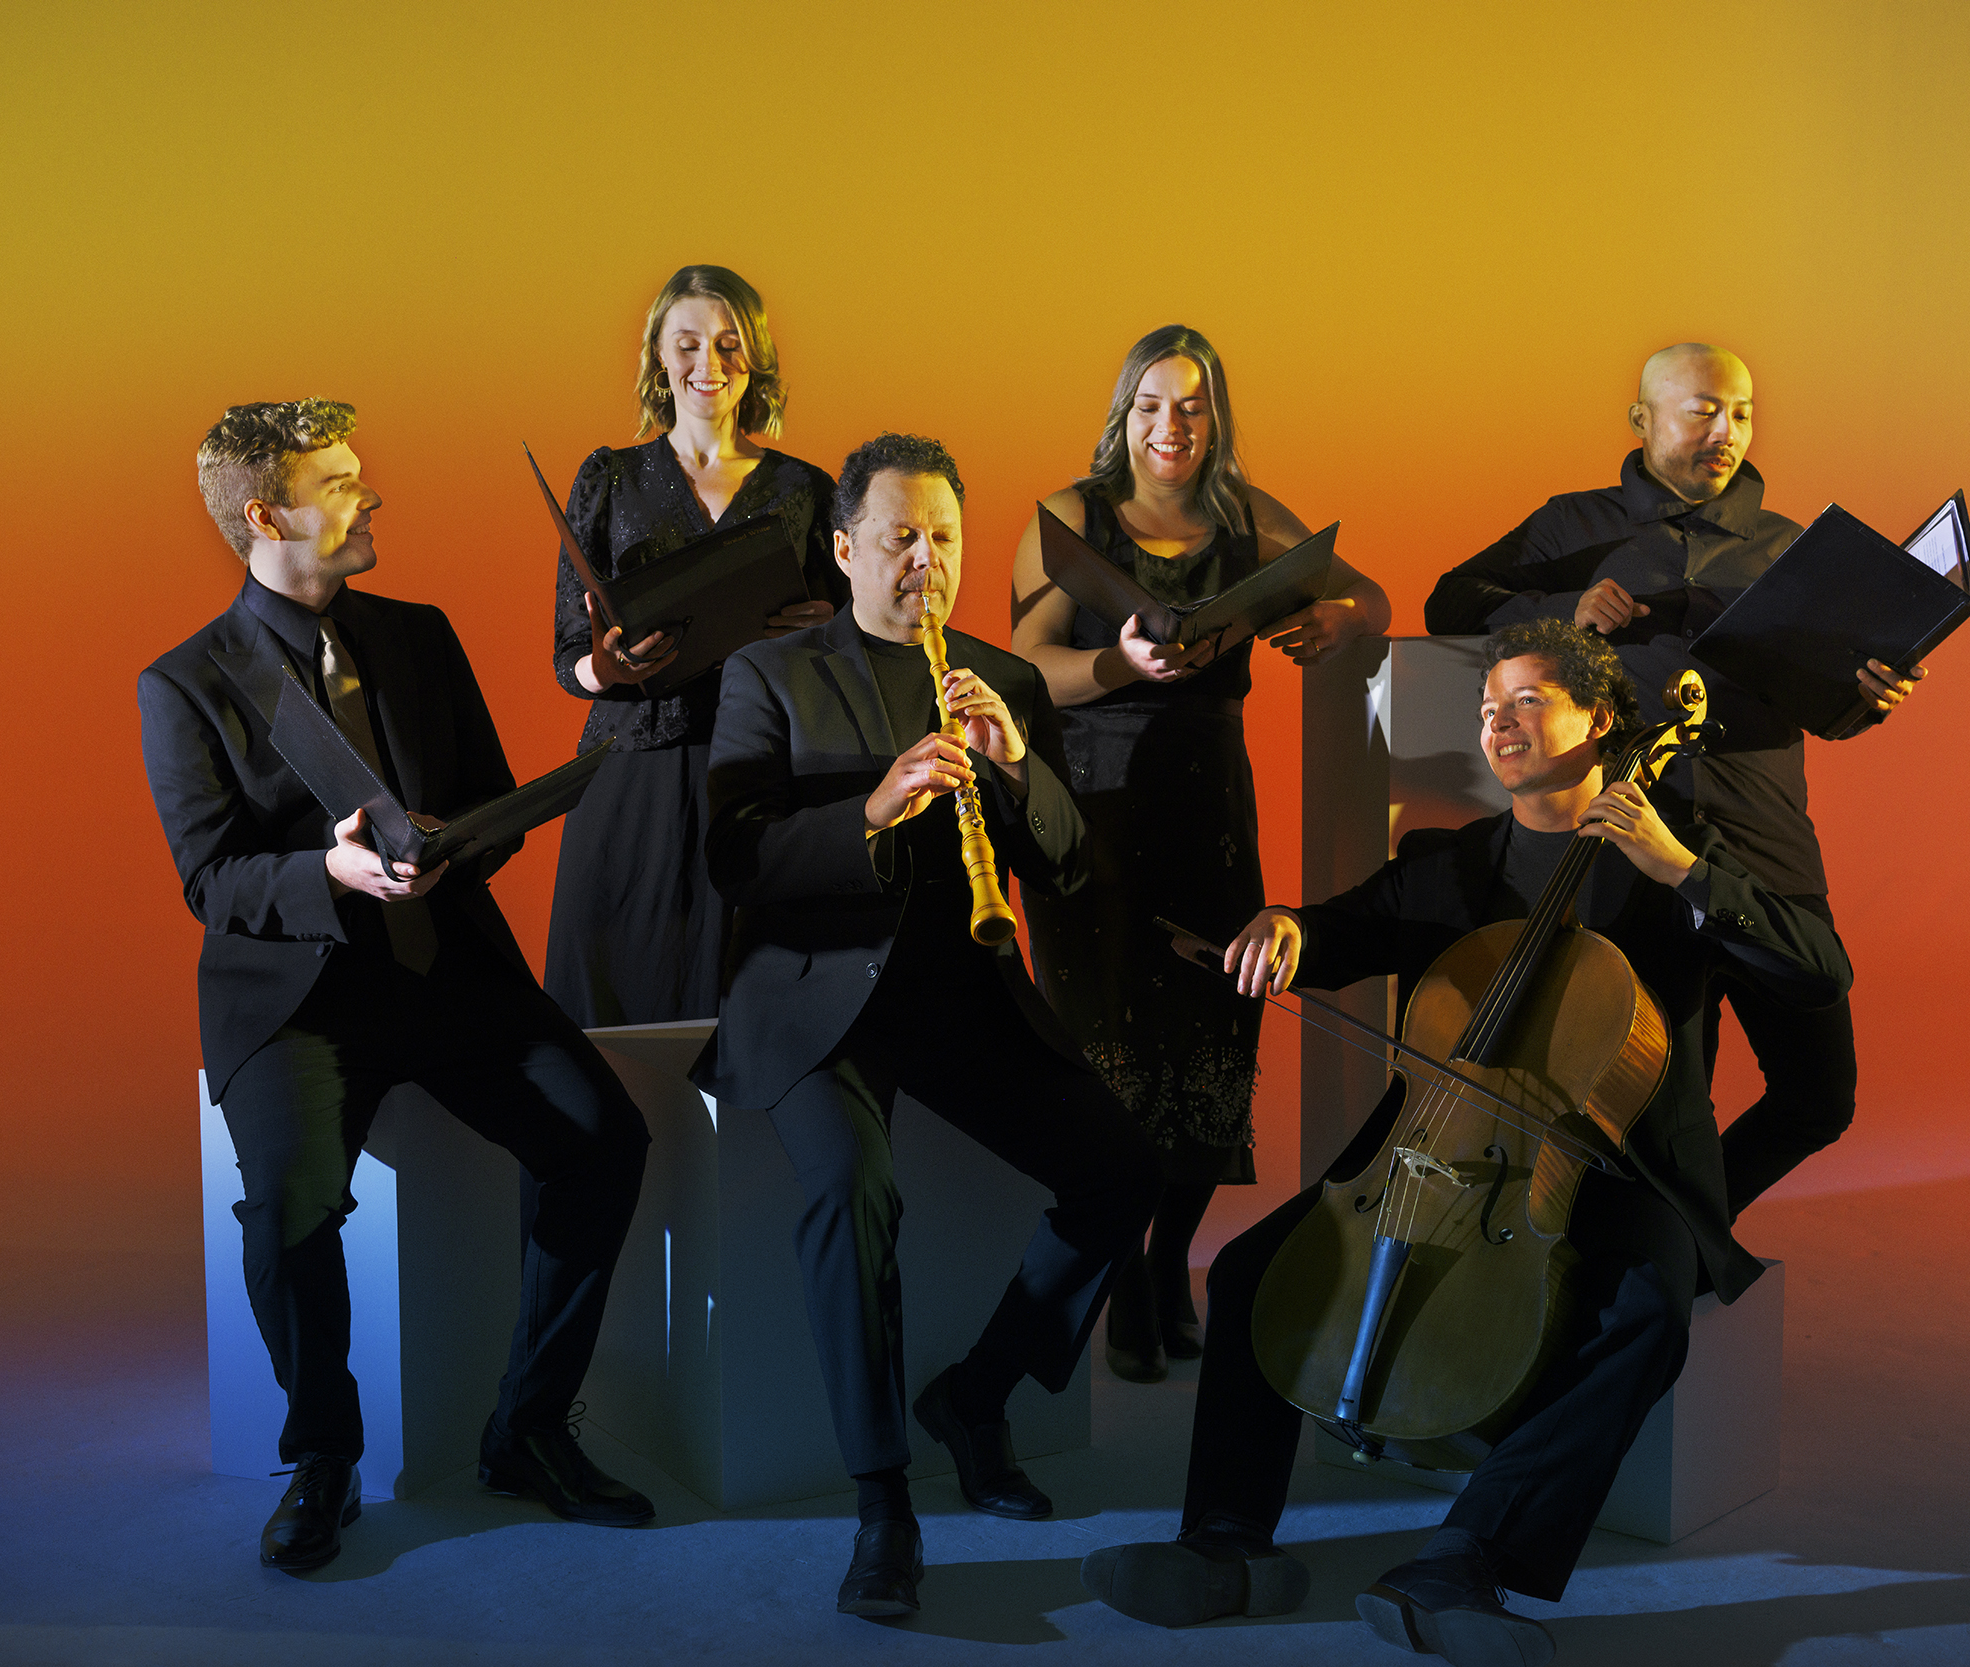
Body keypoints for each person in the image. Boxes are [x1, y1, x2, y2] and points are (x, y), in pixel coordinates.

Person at [1079, 619, 1851, 1661]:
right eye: (1489, 707)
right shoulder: (1452, 862)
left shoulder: (1677, 860)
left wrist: (1680, 872)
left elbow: (1816, 969)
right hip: (1439, 1148)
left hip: (1622, 1163)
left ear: (1604, 718)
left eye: (1528, 700)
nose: (1499, 722)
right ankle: (1225, 1536)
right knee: (1259, 1263)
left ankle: (1464, 1557)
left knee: (1647, 1313)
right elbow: (1347, 925)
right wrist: (1293, 930)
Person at [141, 401, 655, 1573]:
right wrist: (332, 869)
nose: (373, 498)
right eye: (344, 482)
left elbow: (488, 803)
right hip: (300, 999)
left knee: (603, 1138)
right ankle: (324, 1452)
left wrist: (455, 839)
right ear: (268, 515)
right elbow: (212, 877)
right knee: (286, 1208)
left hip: (453, 971)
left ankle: (527, 1426)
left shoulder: (421, 634)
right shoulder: (184, 682)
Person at [700, 433, 1163, 1618]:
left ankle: (978, 1389)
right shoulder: (772, 676)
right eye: (901, 538)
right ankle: (881, 1502)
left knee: (1121, 1168)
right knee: (856, 1187)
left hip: (957, 986)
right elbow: (734, 856)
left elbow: (1061, 870)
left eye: (945, 538)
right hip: (813, 993)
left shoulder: (1003, 682)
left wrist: (1015, 773)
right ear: (846, 547)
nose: (926, 562)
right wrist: (872, 804)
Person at [1423, 343, 1923, 1215]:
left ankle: (1694, 1242)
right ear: (1643, 421)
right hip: (1626, 853)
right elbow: (1448, 605)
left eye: (1742, 412)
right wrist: (1561, 613)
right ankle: (1647, 1274)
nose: (1726, 431)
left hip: (1765, 842)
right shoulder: (1572, 527)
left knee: (1819, 1093)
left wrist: (1873, 695)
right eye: (1702, 410)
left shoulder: (1792, 547)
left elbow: (1831, 712)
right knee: (1654, 1104)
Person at [1011, 325, 1392, 1382]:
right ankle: (1124, 1271)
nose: (1169, 427)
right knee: (1112, 1058)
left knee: (1208, 1049)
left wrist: (1331, 617)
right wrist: (1116, 658)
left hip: (1210, 811)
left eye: (1190, 406)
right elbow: (1025, 668)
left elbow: (1373, 598)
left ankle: (1171, 1255)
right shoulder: (1068, 517)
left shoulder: (1245, 515)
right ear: (1120, 412)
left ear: (1214, 416)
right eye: (1149, 405)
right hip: (1088, 812)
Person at [545, 264, 839, 1028]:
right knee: (614, 1013)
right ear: (658, 357)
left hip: (761, 773)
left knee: (746, 1007)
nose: (709, 365)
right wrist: (607, 665)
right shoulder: (606, 477)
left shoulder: (807, 488)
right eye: (689, 344)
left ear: (757, 357)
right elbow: (567, 656)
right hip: (630, 777)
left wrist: (822, 636)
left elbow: (851, 641)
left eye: (729, 344)